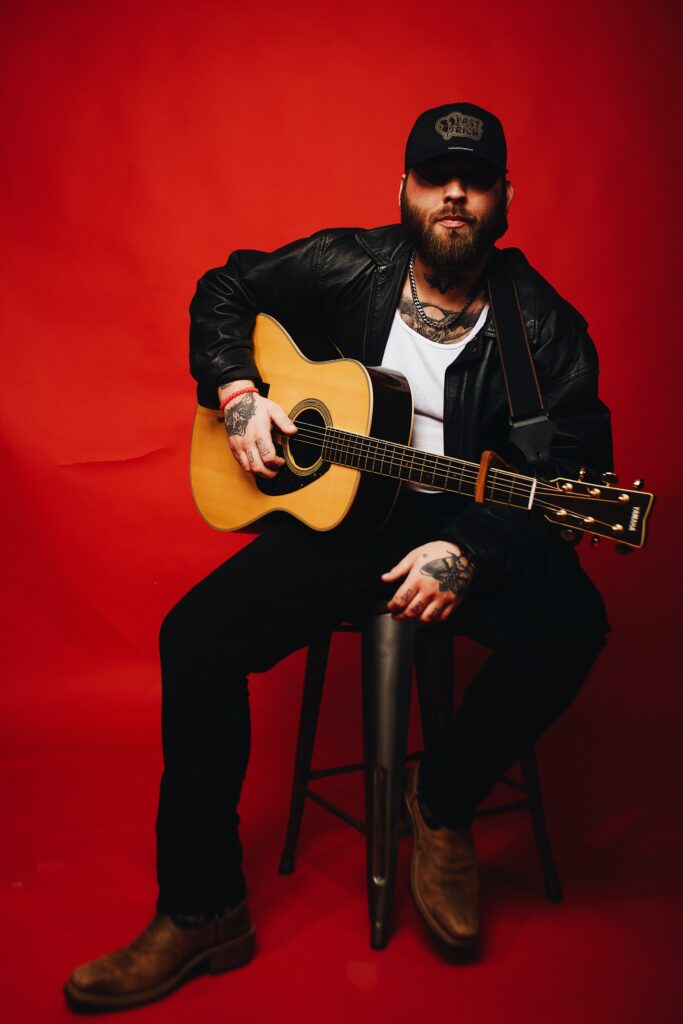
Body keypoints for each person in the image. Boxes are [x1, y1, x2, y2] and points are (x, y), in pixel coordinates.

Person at [64, 102, 612, 1012]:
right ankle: (204, 911)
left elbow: (573, 472)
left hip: (469, 529)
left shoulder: (544, 327)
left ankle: (439, 804)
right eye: (435, 177)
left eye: (472, 182)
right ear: (402, 188)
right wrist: (239, 393)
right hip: (345, 520)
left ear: (503, 198)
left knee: (572, 625)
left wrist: (466, 549)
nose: (452, 196)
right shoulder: (349, 263)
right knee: (193, 638)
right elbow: (225, 288)